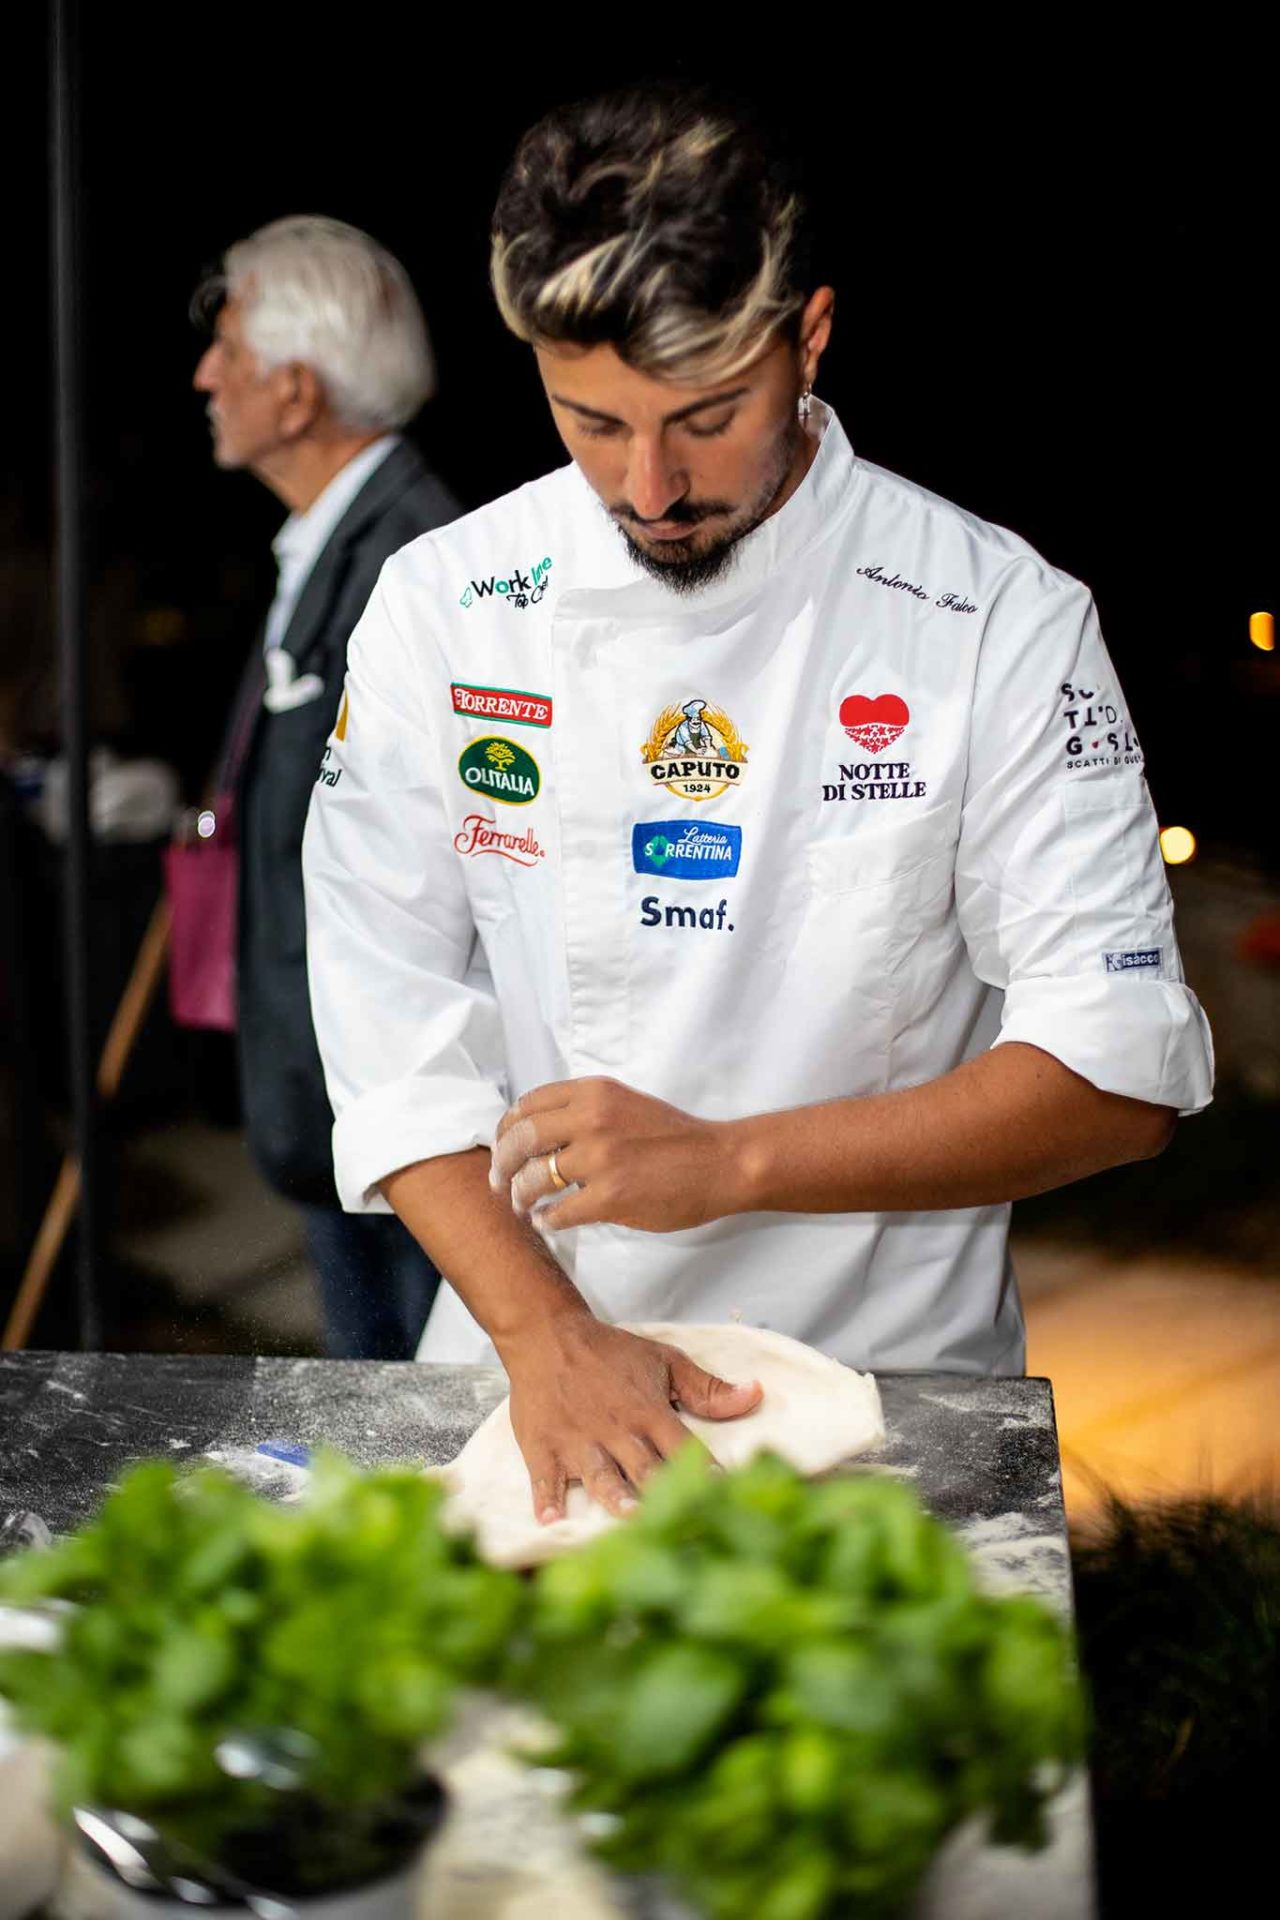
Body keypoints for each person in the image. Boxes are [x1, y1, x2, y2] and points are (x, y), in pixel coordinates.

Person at [302, 89, 1213, 1509]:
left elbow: (1117, 1076)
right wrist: (547, 1333)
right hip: (533, 1362)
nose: (650, 486)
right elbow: (387, 1021)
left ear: (811, 338)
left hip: (893, 1397)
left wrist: (731, 1160)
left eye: (707, 417)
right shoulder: (447, 605)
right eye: (591, 420)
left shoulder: (995, 618)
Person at [193, 215, 460, 1357]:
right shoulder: (339, 541)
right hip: (343, 1105)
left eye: (232, 351)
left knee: (417, 1428)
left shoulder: (410, 563)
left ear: (295, 392)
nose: (206, 374)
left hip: (398, 1119)